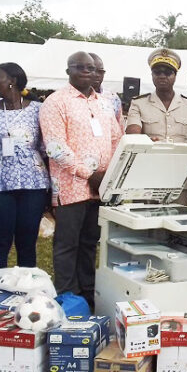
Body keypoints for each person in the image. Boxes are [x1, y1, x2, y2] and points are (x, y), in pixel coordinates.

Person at [39, 51, 122, 309]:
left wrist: (110, 175)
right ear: (68, 71)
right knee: (67, 244)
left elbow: (116, 139)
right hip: (72, 186)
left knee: (89, 243)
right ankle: (68, 296)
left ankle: (87, 294)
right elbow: (54, 147)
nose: (87, 72)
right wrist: (90, 174)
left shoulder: (103, 103)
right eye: (80, 67)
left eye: (91, 68)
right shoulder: (56, 102)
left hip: (100, 187)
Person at [0, 62, 49, 286]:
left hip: (33, 183)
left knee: (27, 241)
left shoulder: (38, 109)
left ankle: (27, 291)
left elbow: (46, 147)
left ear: (13, 81)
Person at [126, 48, 187, 206]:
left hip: (180, 179)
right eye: (157, 72)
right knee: (146, 225)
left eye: (168, 72)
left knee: (177, 226)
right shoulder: (138, 103)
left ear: (175, 76)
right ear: (152, 75)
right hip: (147, 178)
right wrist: (144, 139)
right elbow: (133, 133)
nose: (162, 76)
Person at [89, 53, 123, 129]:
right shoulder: (70, 98)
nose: (97, 75)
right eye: (93, 70)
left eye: (100, 72)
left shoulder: (113, 98)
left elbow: (119, 127)